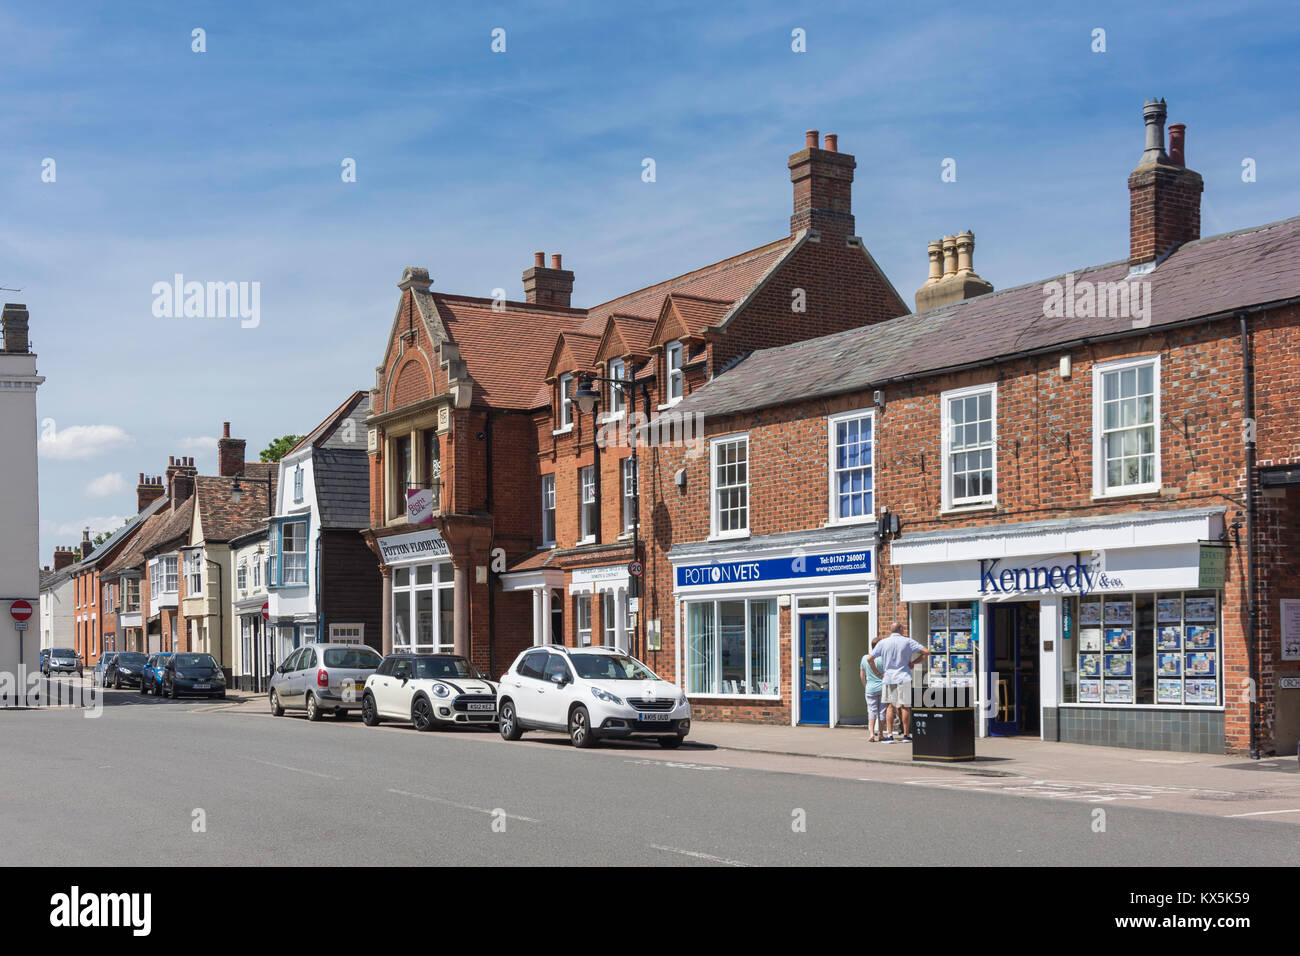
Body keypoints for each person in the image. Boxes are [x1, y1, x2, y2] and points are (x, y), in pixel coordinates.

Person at [866, 621, 928, 743]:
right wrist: (913, 663)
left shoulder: (883, 643)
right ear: (900, 629)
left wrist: (878, 674)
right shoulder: (907, 641)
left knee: (890, 706)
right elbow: (926, 652)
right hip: (904, 677)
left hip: (889, 678)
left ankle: (889, 735)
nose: (904, 630)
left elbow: (869, 659)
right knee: (905, 706)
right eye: (903, 628)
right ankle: (906, 735)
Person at [860, 635, 885, 742]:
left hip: (870, 688)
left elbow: (862, 675)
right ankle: (881, 734)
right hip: (883, 687)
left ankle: (871, 734)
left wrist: (866, 686)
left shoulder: (865, 658)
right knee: (882, 711)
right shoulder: (884, 658)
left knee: (871, 711)